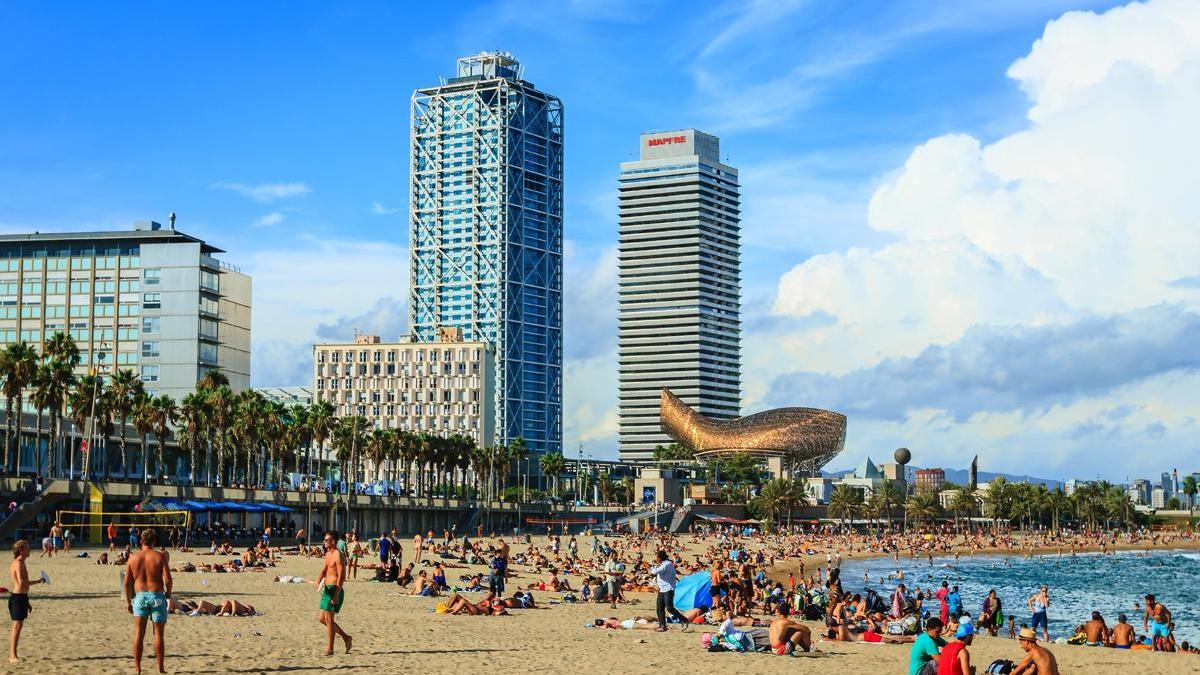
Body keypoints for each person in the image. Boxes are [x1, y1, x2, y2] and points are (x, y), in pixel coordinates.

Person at [124, 528, 171, 675]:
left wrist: (127, 601)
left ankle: (138, 668)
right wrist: (168, 594)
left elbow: (127, 583)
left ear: (140, 541)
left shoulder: (133, 558)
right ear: (154, 541)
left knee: (139, 633)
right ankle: (160, 668)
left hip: (140, 597)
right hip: (157, 595)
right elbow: (168, 579)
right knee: (158, 634)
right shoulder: (160, 556)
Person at [315, 530, 352, 656]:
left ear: (333, 541)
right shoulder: (328, 554)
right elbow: (324, 569)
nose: (324, 542)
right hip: (327, 589)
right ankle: (346, 638)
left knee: (329, 619)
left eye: (326, 540)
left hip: (335, 588)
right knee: (322, 619)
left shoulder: (338, 554)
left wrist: (336, 594)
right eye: (324, 540)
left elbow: (342, 576)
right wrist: (318, 580)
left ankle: (330, 649)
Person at [8, 540, 45, 663]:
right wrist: (37, 582)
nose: (30, 550)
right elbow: (21, 582)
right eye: (28, 548)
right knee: (16, 627)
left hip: (21, 597)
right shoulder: (18, 563)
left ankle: (13, 654)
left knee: (18, 626)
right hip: (17, 598)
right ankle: (12, 656)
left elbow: (23, 585)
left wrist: (27, 600)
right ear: (22, 550)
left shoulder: (22, 562)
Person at [649, 550, 689, 632]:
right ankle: (662, 626)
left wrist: (652, 566)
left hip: (668, 589)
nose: (656, 558)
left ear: (660, 558)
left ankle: (684, 620)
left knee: (670, 608)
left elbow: (654, 572)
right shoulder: (663, 564)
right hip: (662, 589)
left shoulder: (666, 564)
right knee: (659, 608)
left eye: (657, 557)